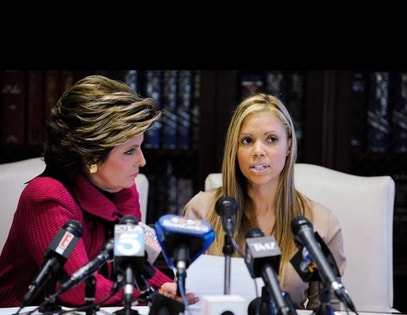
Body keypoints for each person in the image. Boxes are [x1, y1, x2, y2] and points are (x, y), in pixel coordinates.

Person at [0, 75, 199, 308]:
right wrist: (149, 295)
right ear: (91, 157)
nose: (142, 161)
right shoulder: (45, 196)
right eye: (129, 151)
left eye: (140, 147)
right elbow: (75, 287)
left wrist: (168, 287)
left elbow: (132, 267)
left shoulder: (123, 191)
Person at [183, 93, 346, 311]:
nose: (258, 151)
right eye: (247, 141)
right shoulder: (201, 211)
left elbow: (327, 307)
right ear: (235, 149)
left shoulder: (318, 223)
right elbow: (185, 295)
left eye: (271, 139)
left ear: (288, 146)